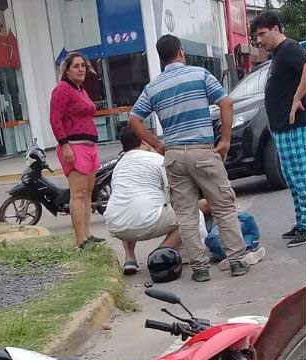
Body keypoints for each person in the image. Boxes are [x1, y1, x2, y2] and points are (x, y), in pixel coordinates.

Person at [129, 34, 248, 284]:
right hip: (203, 150)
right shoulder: (199, 74)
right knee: (223, 205)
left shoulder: (153, 87)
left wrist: (157, 145)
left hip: (173, 155)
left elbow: (134, 119)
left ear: (161, 58)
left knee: (186, 214)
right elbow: (226, 103)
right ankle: (237, 260)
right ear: (181, 51)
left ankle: (199, 268)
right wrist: (225, 139)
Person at [250, 11, 306, 248]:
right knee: (293, 180)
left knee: (301, 178)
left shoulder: (289, 48)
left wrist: (297, 97)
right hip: (282, 129)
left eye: (262, 34)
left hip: (295, 127)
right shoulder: (279, 54)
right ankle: (302, 223)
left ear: (276, 28)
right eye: (257, 36)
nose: (259, 40)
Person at [105, 126, 180, 274]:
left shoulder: (118, 166)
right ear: (144, 141)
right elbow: (173, 192)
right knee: (190, 215)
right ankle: (159, 254)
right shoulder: (157, 159)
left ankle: (129, 258)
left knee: (128, 207)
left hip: (116, 226)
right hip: (148, 222)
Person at [50, 52, 103, 250]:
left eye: (83, 65)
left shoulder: (81, 90)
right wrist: (65, 145)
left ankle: (87, 234)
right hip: (74, 146)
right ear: (67, 70)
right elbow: (55, 119)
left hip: (90, 147)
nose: (81, 69)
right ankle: (80, 239)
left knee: (88, 193)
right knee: (78, 193)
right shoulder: (62, 89)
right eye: (76, 66)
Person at [197, 199, 265, 269]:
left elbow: (204, 204)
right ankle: (244, 255)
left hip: (239, 220)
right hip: (249, 233)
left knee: (211, 239)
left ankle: (235, 259)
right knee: (241, 247)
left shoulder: (195, 211)